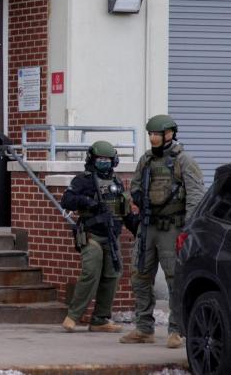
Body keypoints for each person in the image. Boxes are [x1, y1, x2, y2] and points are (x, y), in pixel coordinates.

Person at [120, 114, 205, 348]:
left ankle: (176, 330)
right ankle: (144, 328)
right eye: (150, 134)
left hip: (173, 227)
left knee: (174, 278)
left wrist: (188, 229)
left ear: (169, 134)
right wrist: (136, 201)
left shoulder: (184, 160)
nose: (152, 138)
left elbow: (196, 196)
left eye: (156, 134)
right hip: (148, 226)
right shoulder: (146, 160)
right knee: (139, 275)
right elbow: (135, 186)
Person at [61, 140, 136, 333]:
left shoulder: (117, 183)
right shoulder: (83, 180)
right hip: (91, 235)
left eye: (108, 160)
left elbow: (125, 211)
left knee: (112, 275)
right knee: (90, 273)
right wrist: (88, 202)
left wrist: (138, 229)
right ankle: (73, 316)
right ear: (92, 160)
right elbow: (67, 200)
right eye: (100, 159)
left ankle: (100, 319)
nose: (104, 163)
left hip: (111, 237)